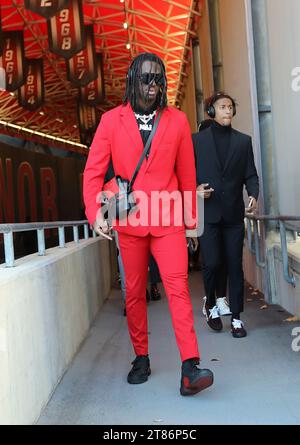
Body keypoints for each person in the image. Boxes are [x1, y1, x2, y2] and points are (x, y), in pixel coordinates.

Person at [83, 53, 213, 395]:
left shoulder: (178, 121)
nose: (152, 85)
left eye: (158, 79)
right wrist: (94, 212)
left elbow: (187, 175)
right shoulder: (112, 121)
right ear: (131, 81)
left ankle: (190, 367)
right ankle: (141, 357)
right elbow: (94, 170)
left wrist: (190, 223)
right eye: (146, 78)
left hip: (169, 219)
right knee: (134, 293)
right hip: (129, 220)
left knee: (178, 289)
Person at [193, 92, 259, 338]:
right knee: (211, 263)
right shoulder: (197, 141)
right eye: (222, 107)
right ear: (211, 111)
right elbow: (186, 174)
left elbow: (250, 174)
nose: (227, 111)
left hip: (233, 215)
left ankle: (237, 319)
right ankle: (210, 304)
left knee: (235, 266)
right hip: (208, 215)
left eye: (230, 107)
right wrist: (196, 189)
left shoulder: (243, 142)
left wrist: (253, 193)